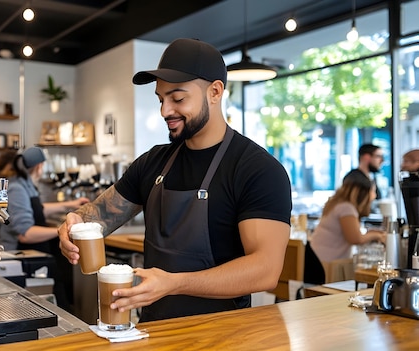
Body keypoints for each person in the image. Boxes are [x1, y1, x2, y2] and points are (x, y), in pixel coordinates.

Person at [58, 38, 292, 322]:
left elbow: (265, 270)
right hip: (154, 331)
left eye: (178, 98)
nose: (165, 111)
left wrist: (175, 283)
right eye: (161, 99)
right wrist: (76, 223)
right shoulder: (152, 162)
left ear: (215, 92)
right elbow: (102, 214)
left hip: (223, 336)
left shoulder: (257, 169)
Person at [0, 146, 89, 311]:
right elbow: (25, 234)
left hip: (34, 254)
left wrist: (70, 205)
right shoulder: (17, 188)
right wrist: (61, 230)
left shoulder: (25, 184)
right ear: (40, 166)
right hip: (18, 258)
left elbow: (37, 209)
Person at [306, 171, 386, 284]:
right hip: (325, 265)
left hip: (316, 259)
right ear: (361, 192)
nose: (374, 196)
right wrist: (377, 235)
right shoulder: (346, 208)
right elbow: (355, 238)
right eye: (372, 191)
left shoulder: (336, 203)